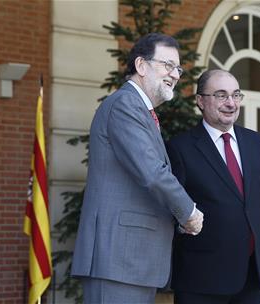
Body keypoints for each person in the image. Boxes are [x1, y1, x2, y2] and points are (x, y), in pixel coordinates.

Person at [71, 33, 203, 304]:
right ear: (141, 66)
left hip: (130, 261)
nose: (175, 74)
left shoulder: (140, 110)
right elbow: (152, 172)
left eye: (178, 68)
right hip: (118, 260)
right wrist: (188, 212)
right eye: (167, 65)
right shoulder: (125, 104)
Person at [167, 69, 260, 304]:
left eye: (235, 95)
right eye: (221, 95)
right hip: (201, 279)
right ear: (200, 100)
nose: (231, 103)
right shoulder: (180, 148)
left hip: (250, 275)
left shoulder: (255, 142)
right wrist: (183, 226)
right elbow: (170, 209)